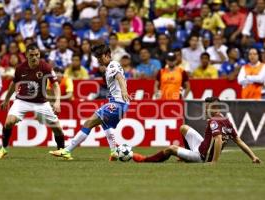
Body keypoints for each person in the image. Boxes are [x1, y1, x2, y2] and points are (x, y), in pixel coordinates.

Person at [49, 43, 131, 161]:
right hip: (119, 104)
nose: (98, 61)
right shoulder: (109, 67)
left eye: (100, 57)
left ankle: (67, 151)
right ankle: (114, 151)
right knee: (105, 125)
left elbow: (120, 77)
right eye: (97, 58)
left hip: (117, 104)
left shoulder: (113, 65)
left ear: (108, 55)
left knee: (88, 123)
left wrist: (124, 91)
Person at [133, 97, 261, 164]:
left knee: (171, 149)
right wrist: (253, 157)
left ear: (214, 108)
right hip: (200, 147)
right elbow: (238, 140)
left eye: (207, 108)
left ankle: (145, 159)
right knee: (184, 128)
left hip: (202, 157)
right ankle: (185, 156)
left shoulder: (214, 121)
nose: (205, 110)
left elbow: (218, 140)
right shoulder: (226, 121)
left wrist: (214, 162)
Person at [0, 44, 65, 159]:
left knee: (57, 128)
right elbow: (13, 84)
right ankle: (3, 149)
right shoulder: (20, 68)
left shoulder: (46, 67)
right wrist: (6, 100)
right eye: (31, 55)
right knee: (9, 122)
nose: (34, 57)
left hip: (41, 102)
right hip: (22, 101)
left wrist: (57, 102)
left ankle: (62, 151)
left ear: (39, 54)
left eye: (36, 55)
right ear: (26, 55)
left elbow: (55, 85)